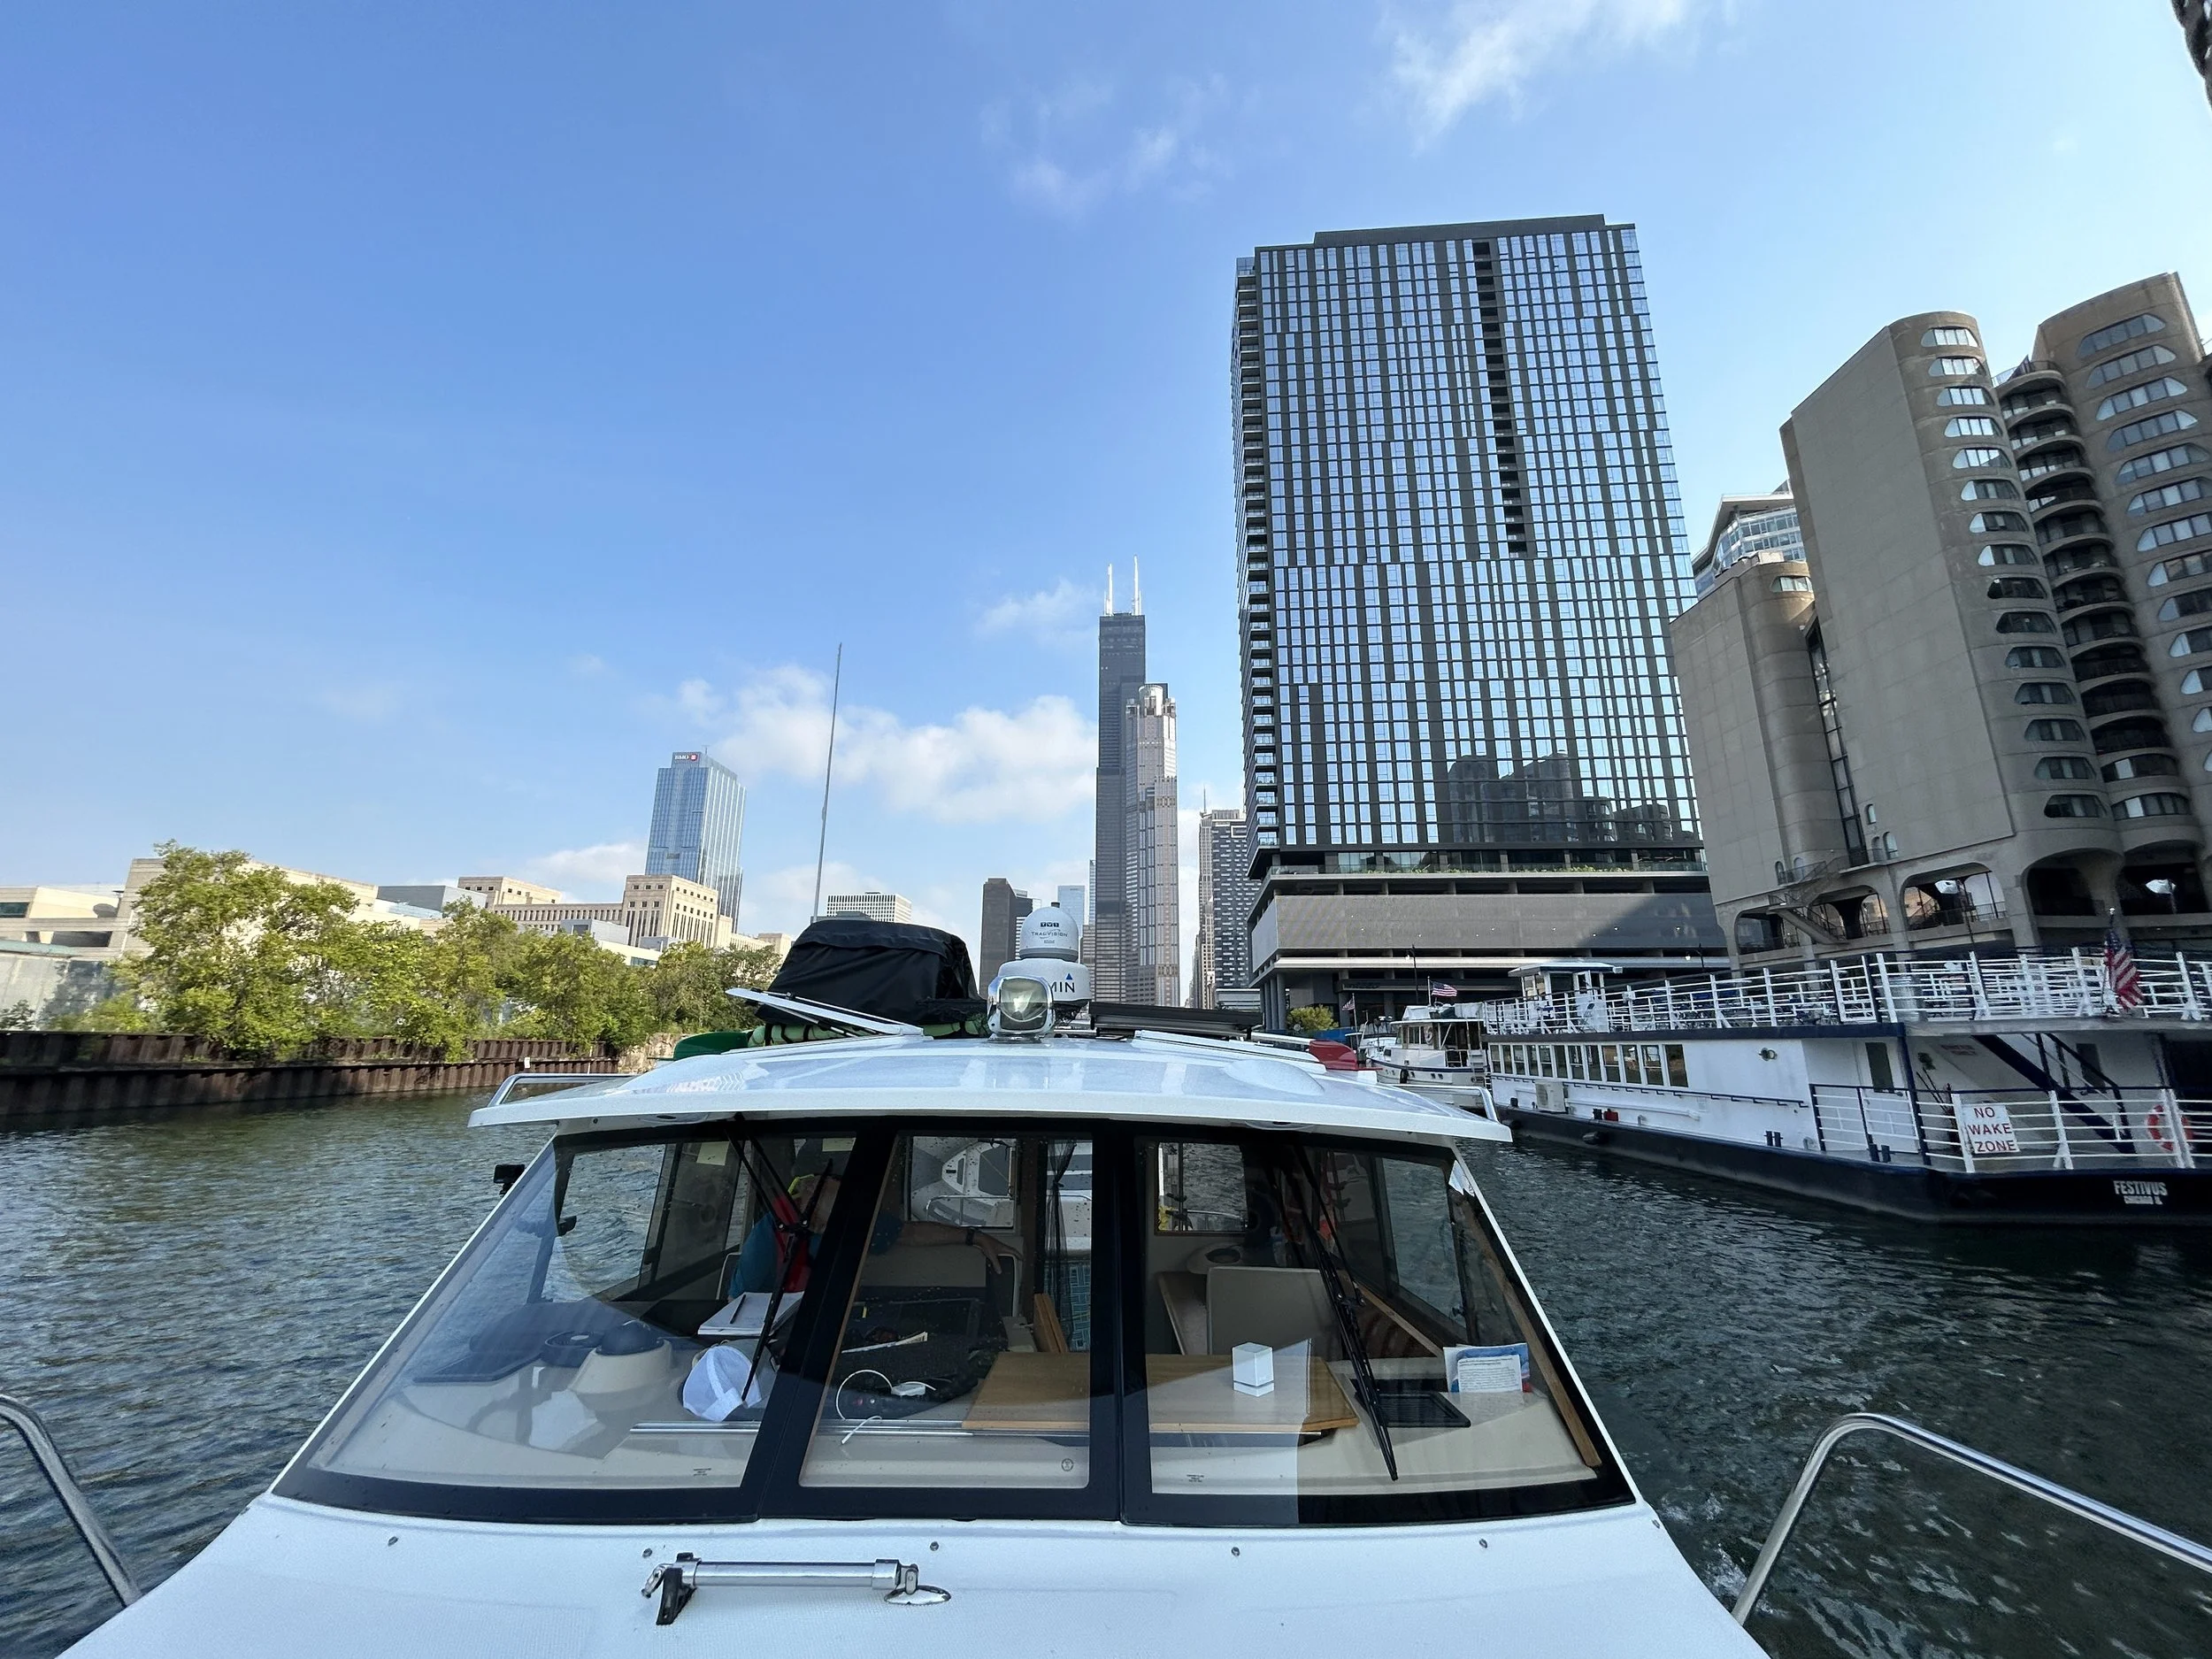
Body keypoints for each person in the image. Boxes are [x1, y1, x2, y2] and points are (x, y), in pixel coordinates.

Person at [734, 1168, 1016, 1294]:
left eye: (839, 1223)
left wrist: (974, 1236)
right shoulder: (768, 1234)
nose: (828, 1230)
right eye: (821, 1223)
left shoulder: (851, 1219)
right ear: (803, 1202)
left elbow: (910, 1234)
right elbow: (734, 1305)